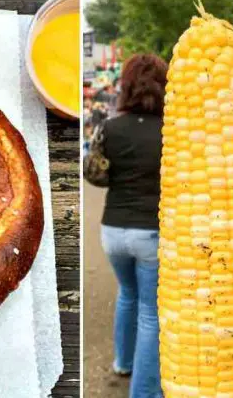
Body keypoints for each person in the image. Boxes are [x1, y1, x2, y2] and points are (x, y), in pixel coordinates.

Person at [98, 53, 166, 398]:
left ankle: (123, 362)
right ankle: (145, 392)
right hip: (151, 233)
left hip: (113, 230)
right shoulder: (171, 131)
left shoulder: (109, 127)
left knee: (127, 295)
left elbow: (95, 175)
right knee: (150, 312)